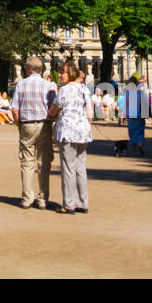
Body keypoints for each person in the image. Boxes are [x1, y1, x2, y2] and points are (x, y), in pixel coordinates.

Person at [12, 56, 57, 209]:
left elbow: (14, 109)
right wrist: (50, 121)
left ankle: (27, 198)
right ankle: (43, 198)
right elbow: (54, 107)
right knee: (44, 163)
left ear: (29, 69)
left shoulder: (21, 85)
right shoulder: (48, 86)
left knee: (26, 162)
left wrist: (19, 125)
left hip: (27, 125)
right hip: (44, 124)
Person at [51, 61, 93, 213]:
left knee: (68, 168)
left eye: (62, 72)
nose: (60, 75)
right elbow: (90, 112)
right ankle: (83, 202)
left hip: (68, 131)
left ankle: (69, 204)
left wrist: (51, 113)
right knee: (80, 167)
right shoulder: (84, 89)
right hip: (83, 132)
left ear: (70, 74)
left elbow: (55, 108)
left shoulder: (65, 89)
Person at [124, 75, 148, 156]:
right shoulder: (140, 92)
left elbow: (126, 104)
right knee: (140, 131)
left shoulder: (127, 92)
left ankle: (134, 151)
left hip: (131, 115)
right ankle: (140, 144)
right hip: (139, 114)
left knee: (132, 132)